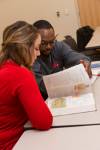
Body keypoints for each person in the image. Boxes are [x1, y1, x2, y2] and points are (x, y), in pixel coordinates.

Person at [0, 21, 53, 150]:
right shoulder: (20, 74)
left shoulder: (4, 67)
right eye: (36, 48)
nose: (38, 53)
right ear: (24, 47)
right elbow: (44, 122)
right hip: (13, 143)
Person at [32, 20, 92, 100]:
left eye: (52, 41)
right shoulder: (31, 57)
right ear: (35, 41)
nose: (49, 46)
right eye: (43, 43)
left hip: (64, 95)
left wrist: (85, 63)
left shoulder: (57, 46)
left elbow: (77, 57)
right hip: (45, 100)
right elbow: (42, 86)